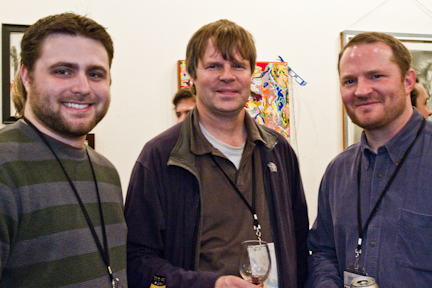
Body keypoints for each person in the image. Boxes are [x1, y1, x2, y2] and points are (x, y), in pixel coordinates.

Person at [125, 19, 309, 288]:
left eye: (238, 66)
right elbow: (137, 261)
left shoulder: (278, 151)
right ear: (192, 76)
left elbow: (299, 246)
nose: (227, 76)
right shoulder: (159, 157)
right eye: (214, 66)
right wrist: (211, 285)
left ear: (250, 75)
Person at [0, 13, 127, 287]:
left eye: (95, 74)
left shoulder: (107, 172)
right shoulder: (4, 167)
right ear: (26, 76)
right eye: (63, 71)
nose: (82, 88)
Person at [307, 32, 432, 287]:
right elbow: (323, 251)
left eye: (376, 76)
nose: (362, 90)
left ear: (408, 81)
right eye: (350, 81)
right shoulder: (337, 170)